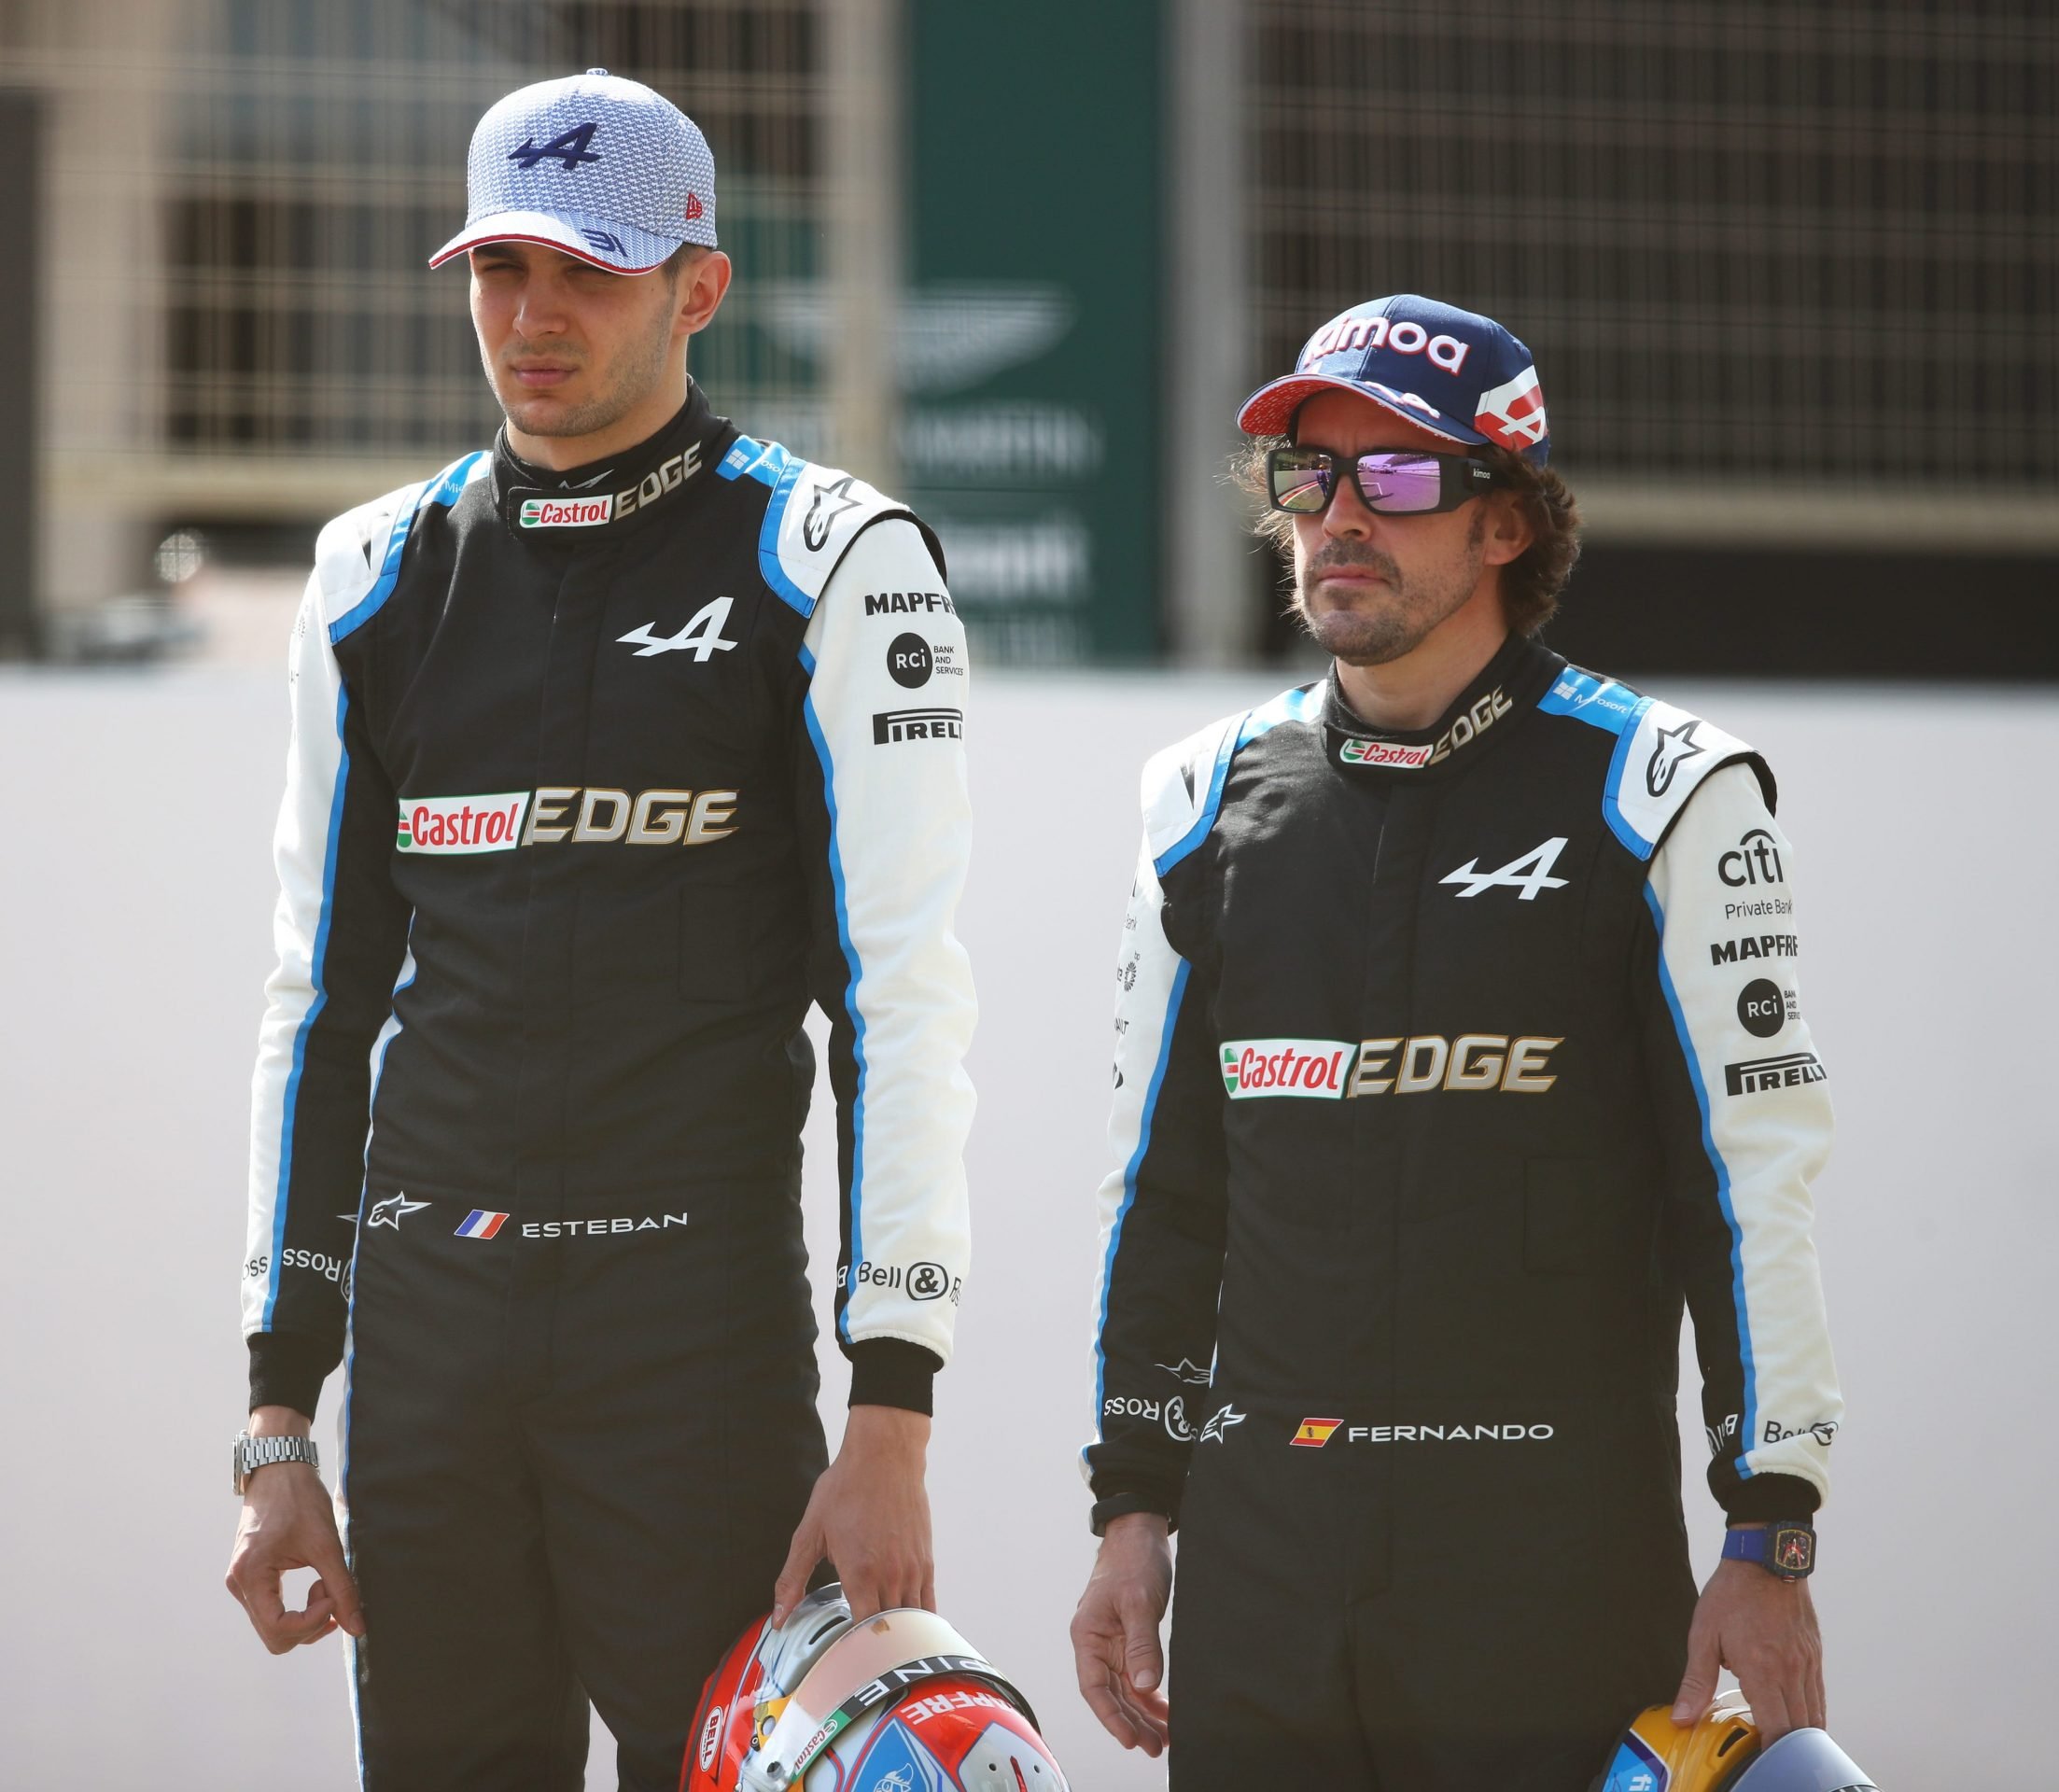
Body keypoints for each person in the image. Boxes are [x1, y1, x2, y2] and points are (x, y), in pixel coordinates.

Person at [220, 70, 977, 1790]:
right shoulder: (371, 578)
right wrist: (278, 1418)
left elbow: (902, 1005)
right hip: (428, 1357)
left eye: (588, 270)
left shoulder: (830, 556)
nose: (533, 316)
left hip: (688, 1339)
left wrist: (893, 1410)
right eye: (500, 270)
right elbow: (316, 1014)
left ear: (698, 286)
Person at [1069, 294, 1844, 1787]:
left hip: (1543, 1572)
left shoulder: (1664, 791)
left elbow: (1749, 1191)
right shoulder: (1201, 803)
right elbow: (1162, 1202)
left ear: (1507, 522)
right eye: (1314, 477)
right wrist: (1131, 1515)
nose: (1343, 517)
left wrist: (1770, 1528)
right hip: (1269, 1579)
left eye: (1403, 477)